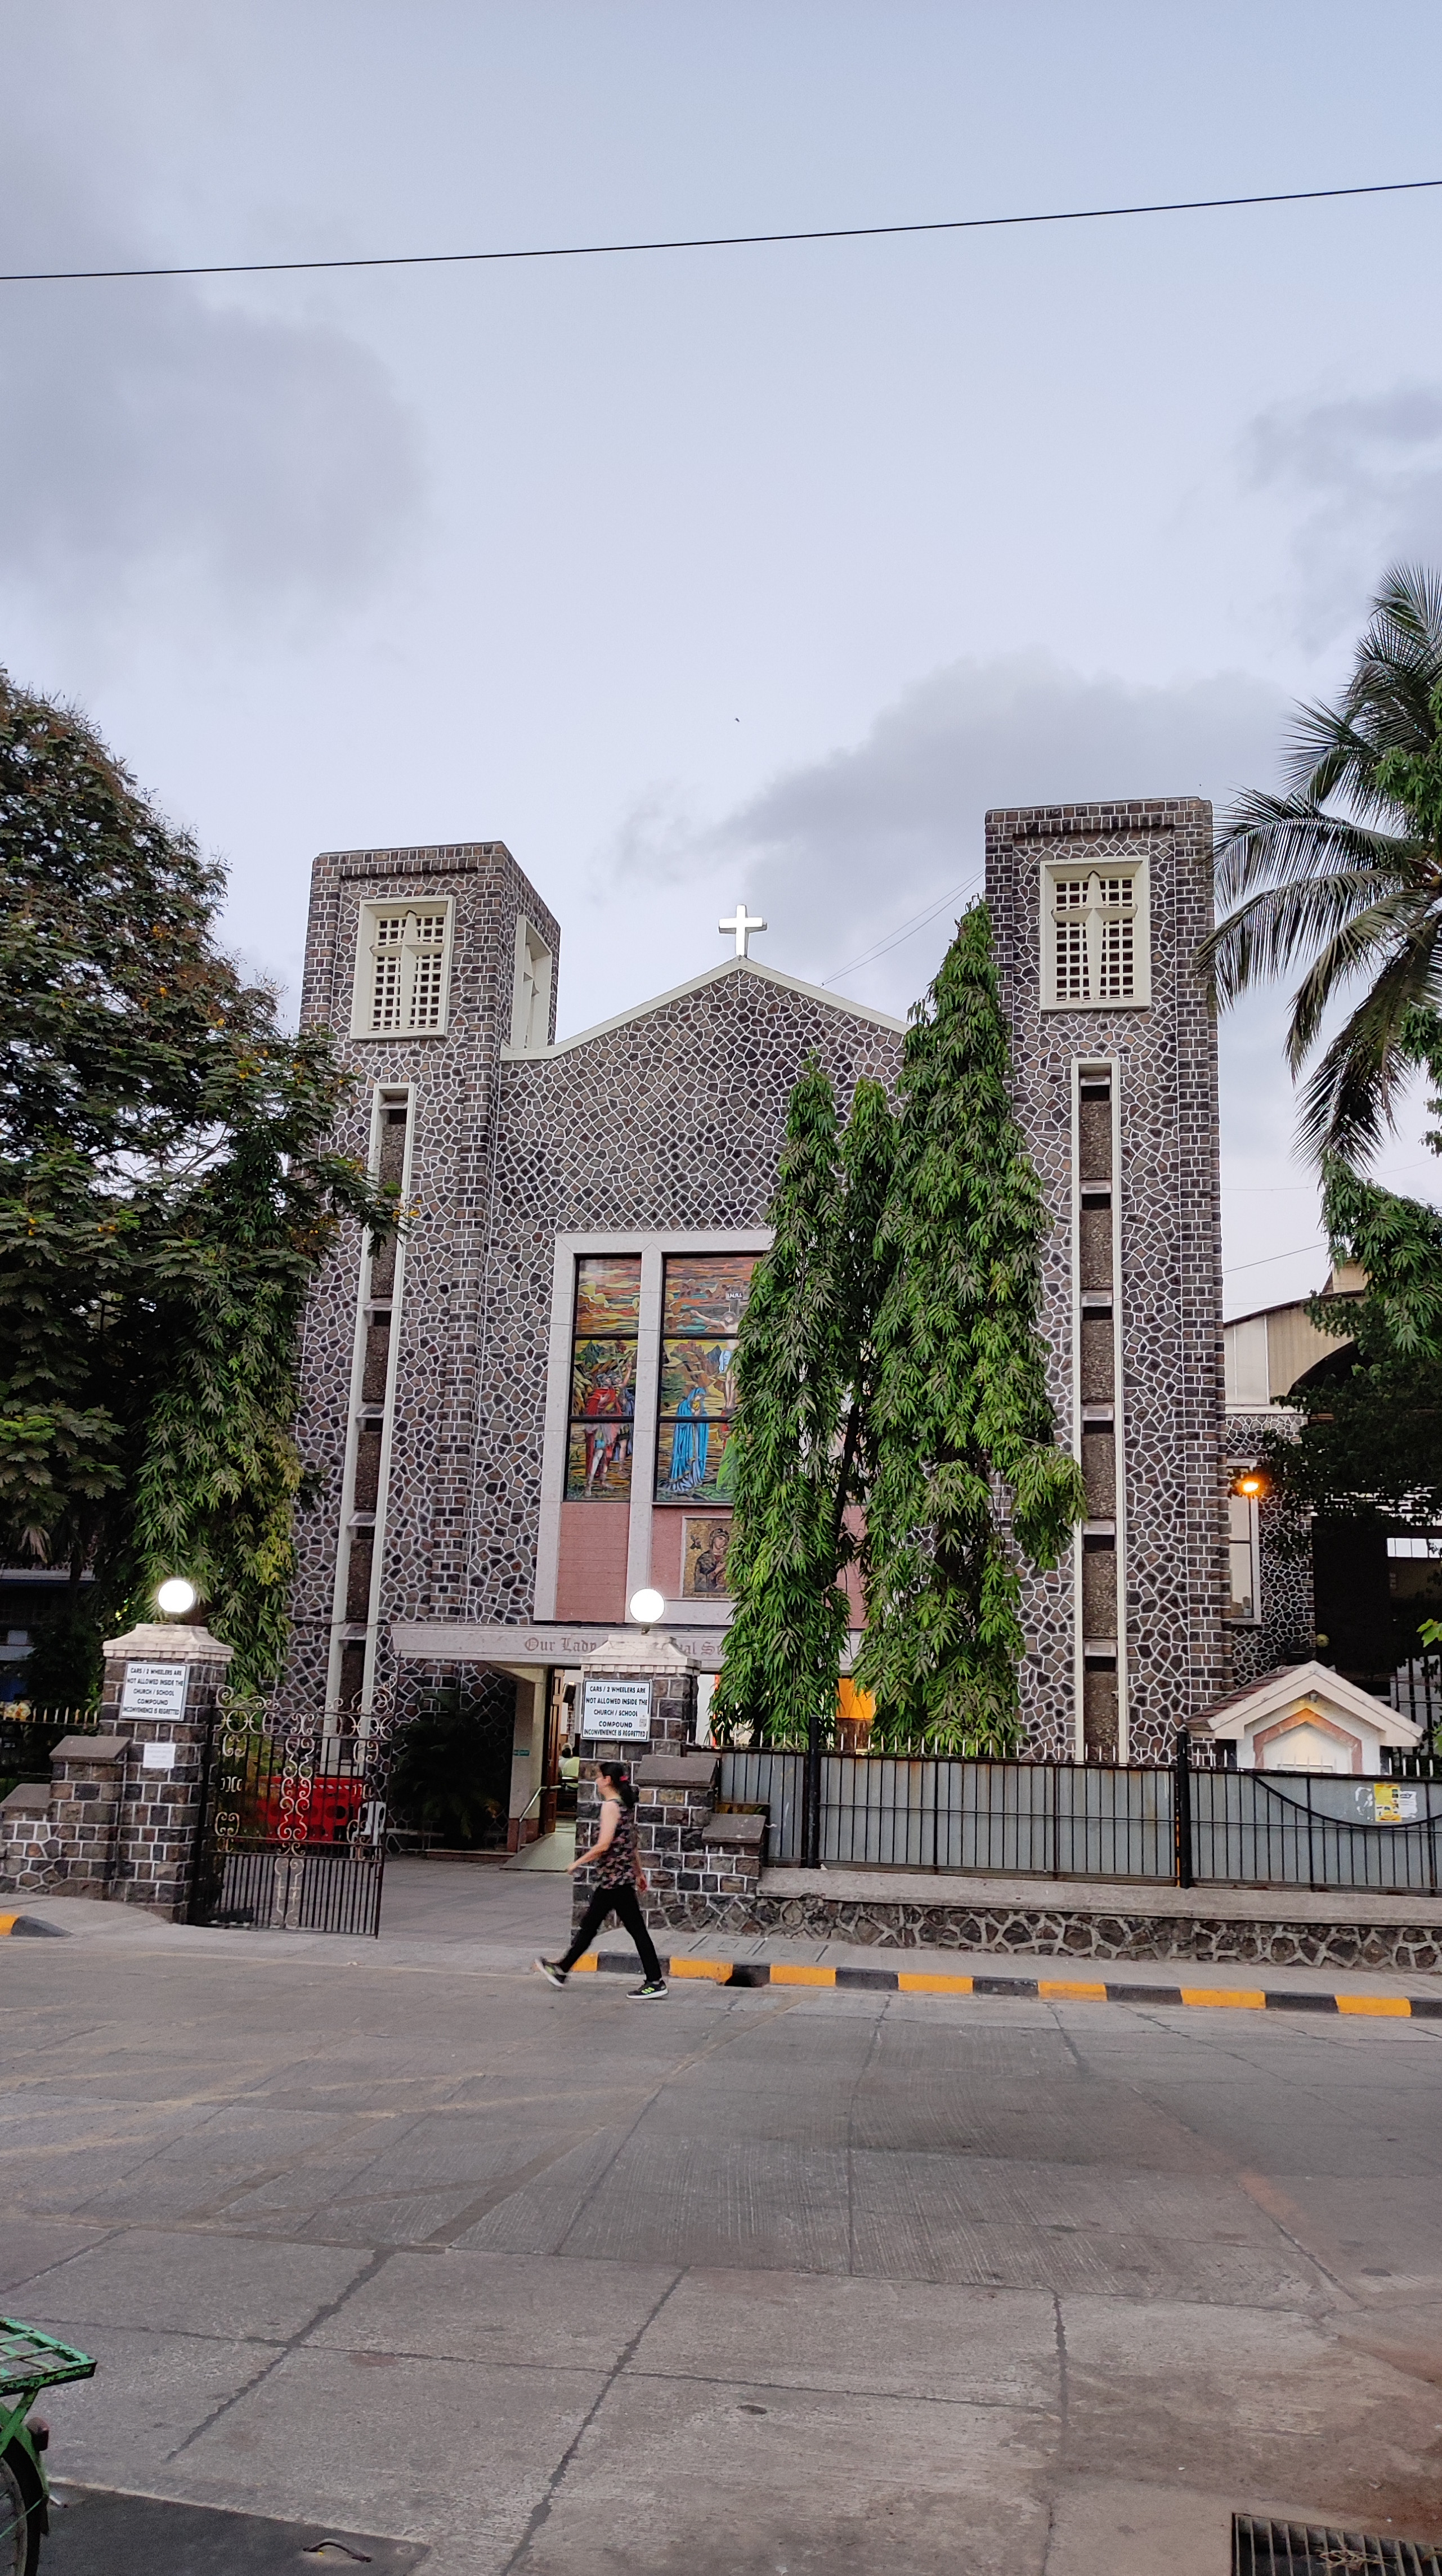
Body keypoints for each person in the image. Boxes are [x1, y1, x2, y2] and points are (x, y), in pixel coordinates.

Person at [535, 1761, 668, 1998]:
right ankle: (562, 1969)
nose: (596, 1780)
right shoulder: (625, 1806)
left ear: (607, 1780)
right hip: (618, 1880)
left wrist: (577, 1862)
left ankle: (655, 1981)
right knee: (592, 1927)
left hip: (614, 1882)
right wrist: (638, 1874)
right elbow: (631, 1845)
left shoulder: (610, 1807)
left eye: (598, 1776)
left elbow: (604, 1845)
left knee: (624, 1930)